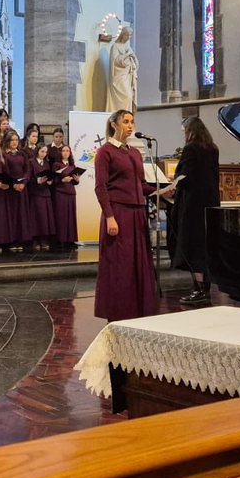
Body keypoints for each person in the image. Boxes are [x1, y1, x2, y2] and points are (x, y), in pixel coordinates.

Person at [93, 109, 157, 321]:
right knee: (119, 265)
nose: (131, 126)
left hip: (138, 215)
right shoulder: (105, 152)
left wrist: (162, 191)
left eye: (132, 122)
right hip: (118, 213)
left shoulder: (135, 153)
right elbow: (101, 187)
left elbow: (142, 185)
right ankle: (118, 312)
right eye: (126, 122)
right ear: (114, 124)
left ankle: (139, 310)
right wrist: (109, 216)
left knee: (138, 264)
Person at [161, 117, 221, 305]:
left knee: (193, 246)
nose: (184, 134)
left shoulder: (191, 148)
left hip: (192, 205)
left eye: (184, 130)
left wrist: (175, 179)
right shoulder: (212, 148)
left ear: (190, 130)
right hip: (210, 203)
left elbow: (185, 176)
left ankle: (199, 289)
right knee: (205, 246)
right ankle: (206, 288)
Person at [2, 131, 33, 251]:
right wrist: (13, 184)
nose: (14, 142)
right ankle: (12, 240)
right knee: (12, 214)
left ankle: (21, 239)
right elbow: (5, 172)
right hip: (11, 189)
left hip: (21, 188)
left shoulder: (22, 154)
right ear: (8, 142)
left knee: (22, 214)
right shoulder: (5, 155)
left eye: (16, 140)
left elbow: (27, 170)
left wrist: (23, 183)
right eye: (12, 140)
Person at [28, 143, 55, 250]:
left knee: (45, 218)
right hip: (36, 193)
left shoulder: (47, 163)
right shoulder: (31, 162)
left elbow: (48, 175)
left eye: (45, 152)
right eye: (42, 151)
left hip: (45, 193)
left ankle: (44, 239)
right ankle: (35, 239)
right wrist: (37, 180)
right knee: (36, 218)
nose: (44, 154)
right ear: (37, 151)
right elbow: (28, 177)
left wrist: (49, 181)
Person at [52, 144, 80, 247]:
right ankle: (61, 240)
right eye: (63, 151)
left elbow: (75, 182)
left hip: (71, 193)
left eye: (67, 151)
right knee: (61, 217)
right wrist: (62, 180)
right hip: (60, 193)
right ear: (60, 152)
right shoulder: (56, 164)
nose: (65, 152)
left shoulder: (72, 165)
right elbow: (53, 179)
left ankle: (71, 240)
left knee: (71, 217)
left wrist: (77, 180)